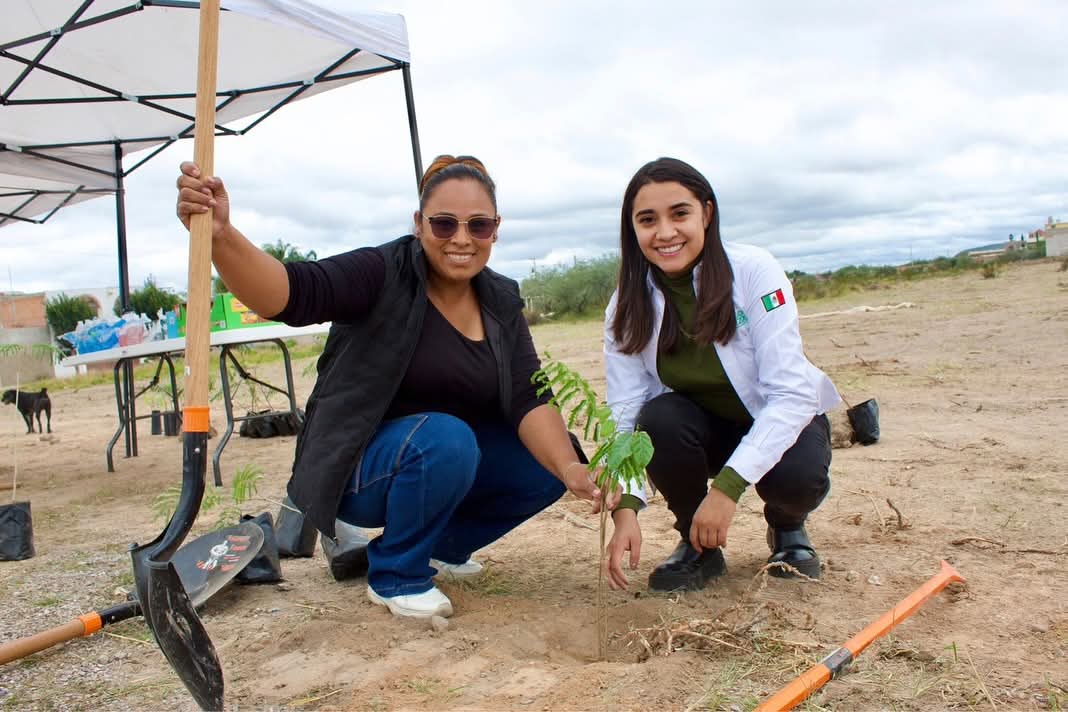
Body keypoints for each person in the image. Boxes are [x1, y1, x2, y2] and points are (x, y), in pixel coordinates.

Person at [175, 154, 614, 619]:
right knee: (446, 438)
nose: (461, 239)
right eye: (444, 224)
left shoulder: (499, 298)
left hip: (444, 458)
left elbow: (529, 395)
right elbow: (288, 292)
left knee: (548, 455)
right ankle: (397, 575)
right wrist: (221, 237)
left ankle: (440, 548)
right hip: (361, 470)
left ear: (496, 228)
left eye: (478, 225)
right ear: (419, 224)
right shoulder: (380, 273)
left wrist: (568, 468)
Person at [603, 157, 840, 592]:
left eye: (680, 213)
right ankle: (698, 547)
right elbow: (624, 411)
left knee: (797, 478)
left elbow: (791, 393)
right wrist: (627, 508)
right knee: (657, 419)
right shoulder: (626, 305)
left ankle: (788, 528)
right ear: (632, 229)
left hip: (778, 422)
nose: (665, 232)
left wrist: (727, 489)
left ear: (706, 214)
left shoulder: (754, 271)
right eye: (647, 220)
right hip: (702, 431)